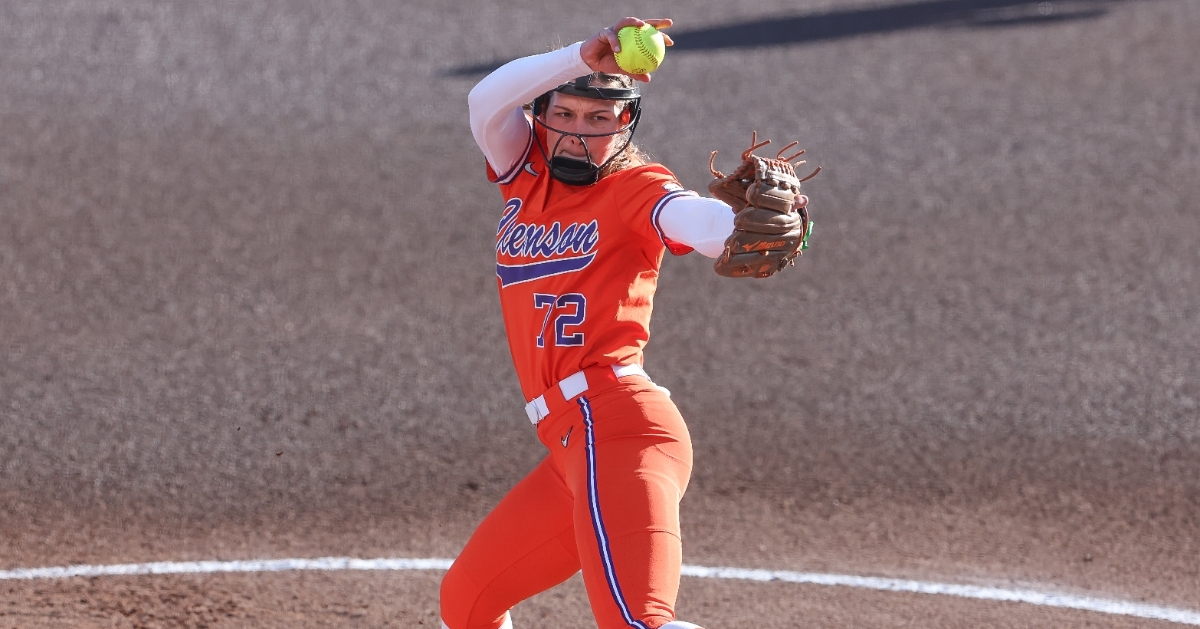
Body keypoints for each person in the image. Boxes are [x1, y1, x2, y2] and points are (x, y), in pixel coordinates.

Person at [440, 16, 808, 629]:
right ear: (543, 117)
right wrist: (579, 57)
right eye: (566, 115)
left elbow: (690, 219)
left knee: (639, 624)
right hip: (569, 445)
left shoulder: (636, 185)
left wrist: (734, 227)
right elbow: (485, 99)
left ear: (624, 125)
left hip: (618, 428)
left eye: (598, 120)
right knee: (467, 604)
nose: (577, 133)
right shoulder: (524, 172)